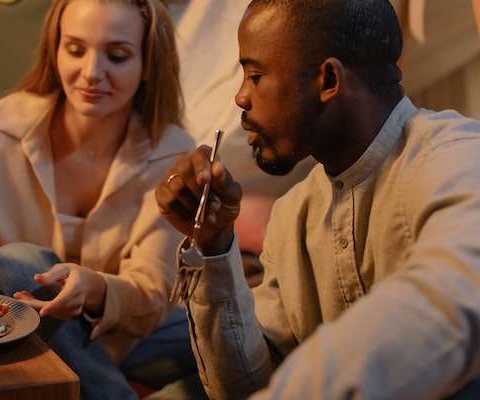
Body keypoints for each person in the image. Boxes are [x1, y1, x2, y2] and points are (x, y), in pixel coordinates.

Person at [155, 0, 480, 398]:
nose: (241, 97)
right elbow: (242, 388)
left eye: (255, 75)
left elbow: (455, 300)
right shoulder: (295, 215)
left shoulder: (456, 156)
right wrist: (214, 243)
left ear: (328, 79)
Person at [0, 0, 198, 398]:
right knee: (18, 263)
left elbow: (150, 295)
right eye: (75, 50)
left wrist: (93, 288)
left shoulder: (173, 154)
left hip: (117, 332)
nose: (92, 73)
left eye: (117, 56)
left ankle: (76, 367)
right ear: (54, 49)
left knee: (226, 332)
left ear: (148, 64)